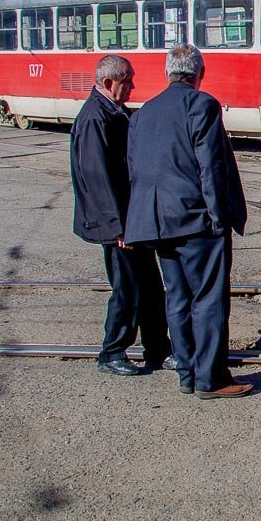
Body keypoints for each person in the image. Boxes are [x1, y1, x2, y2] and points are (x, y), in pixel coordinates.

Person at [125, 45, 251, 400]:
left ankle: (186, 372)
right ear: (199, 73)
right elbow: (210, 166)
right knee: (209, 299)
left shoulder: (143, 113)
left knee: (177, 298)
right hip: (196, 219)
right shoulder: (202, 104)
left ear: (168, 73)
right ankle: (210, 378)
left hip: (156, 222)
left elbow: (135, 168)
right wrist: (216, 217)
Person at [70, 55, 172, 377]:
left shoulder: (113, 112)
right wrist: (118, 227)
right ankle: (112, 351)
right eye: (128, 81)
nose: (132, 87)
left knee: (151, 288)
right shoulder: (95, 118)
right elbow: (98, 177)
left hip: (131, 221)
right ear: (109, 83)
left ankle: (158, 349)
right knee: (127, 289)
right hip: (118, 226)